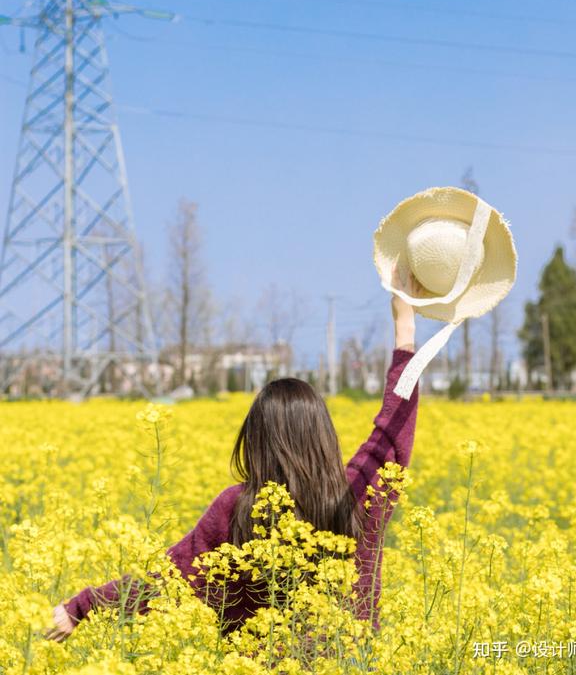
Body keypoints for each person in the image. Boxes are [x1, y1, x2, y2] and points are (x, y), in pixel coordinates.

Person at [44, 266, 424, 644]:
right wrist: (404, 328)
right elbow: (393, 429)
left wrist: (81, 608)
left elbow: (166, 583)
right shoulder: (357, 495)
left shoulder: (236, 509)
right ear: (324, 435)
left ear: (256, 441)